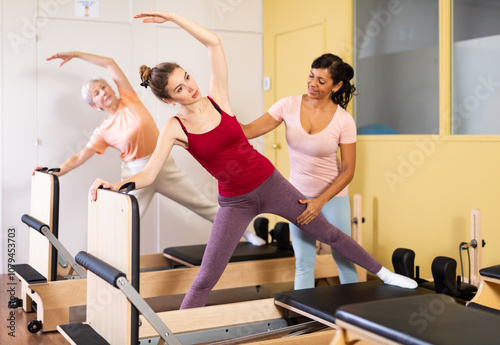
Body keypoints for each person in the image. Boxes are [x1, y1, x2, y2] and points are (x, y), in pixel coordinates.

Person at [90, 10, 417, 310]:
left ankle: (386, 275)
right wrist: (117, 184)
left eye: (187, 77)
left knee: (329, 234)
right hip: (235, 203)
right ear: (167, 98)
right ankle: (177, 332)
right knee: (206, 276)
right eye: (179, 88)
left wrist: (172, 17)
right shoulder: (175, 127)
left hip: (271, 184)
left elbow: (213, 42)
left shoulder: (217, 97)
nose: (190, 87)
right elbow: (147, 175)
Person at [41, 51, 264, 245]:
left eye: (103, 86)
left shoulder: (129, 98)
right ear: (94, 105)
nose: (103, 92)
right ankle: (115, 269)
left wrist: (75, 54)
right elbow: (80, 155)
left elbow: (109, 62)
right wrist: (56, 171)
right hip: (136, 174)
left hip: (163, 165)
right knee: (125, 222)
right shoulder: (103, 131)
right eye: (95, 94)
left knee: (202, 205)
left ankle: (249, 232)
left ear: (111, 87)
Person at [241, 54, 359, 289]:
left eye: (322, 81)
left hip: (332, 198)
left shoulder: (344, 121)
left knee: (344, 259)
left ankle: (353, 317)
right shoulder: (288, 105)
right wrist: (214, 117)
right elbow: (248, 131)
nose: (313, 83)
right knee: (304, 262)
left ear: (336, 86)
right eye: (311, 75)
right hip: (299, 197)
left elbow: (348, 171)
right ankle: (304, 319)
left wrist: (320, 202)